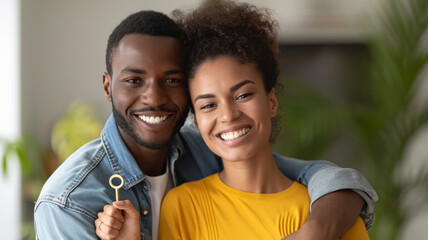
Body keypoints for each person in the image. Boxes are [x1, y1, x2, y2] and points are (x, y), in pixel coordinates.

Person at [35, 7, 377, 240]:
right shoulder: (69, 202)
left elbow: (315, 175)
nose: (153, 98)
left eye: (171, 80)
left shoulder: (202, 146)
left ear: (271, 100)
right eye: (134, 80)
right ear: (108, 85)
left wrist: (316, 229)